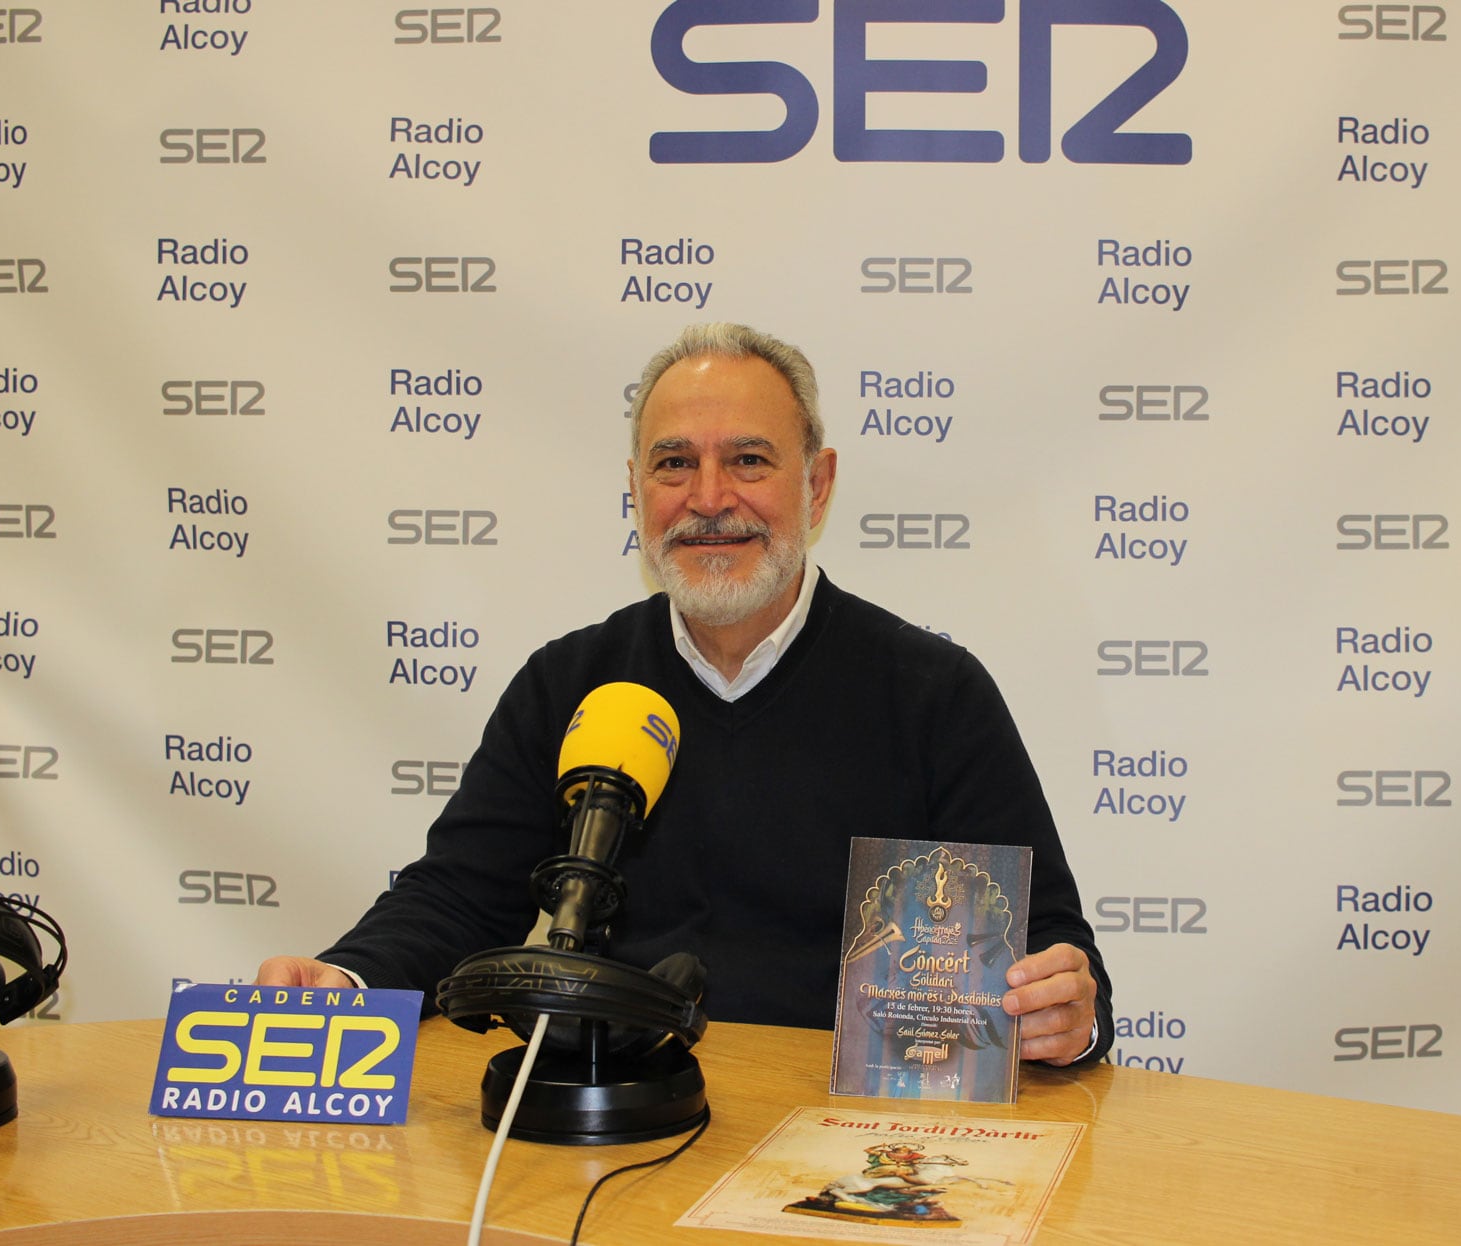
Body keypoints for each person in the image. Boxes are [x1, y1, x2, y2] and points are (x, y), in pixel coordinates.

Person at [260, 323, 1112, 1066]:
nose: (709, 499)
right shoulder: (570, 684)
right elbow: (455, 895)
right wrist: (342, 979)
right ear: (637, 487)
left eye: (748, 459)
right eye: (676, 464)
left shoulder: (934, 696)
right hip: (615, 1118)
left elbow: (1045, 947)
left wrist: (1064, 1015)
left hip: (837, 1150)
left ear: (816, 486)